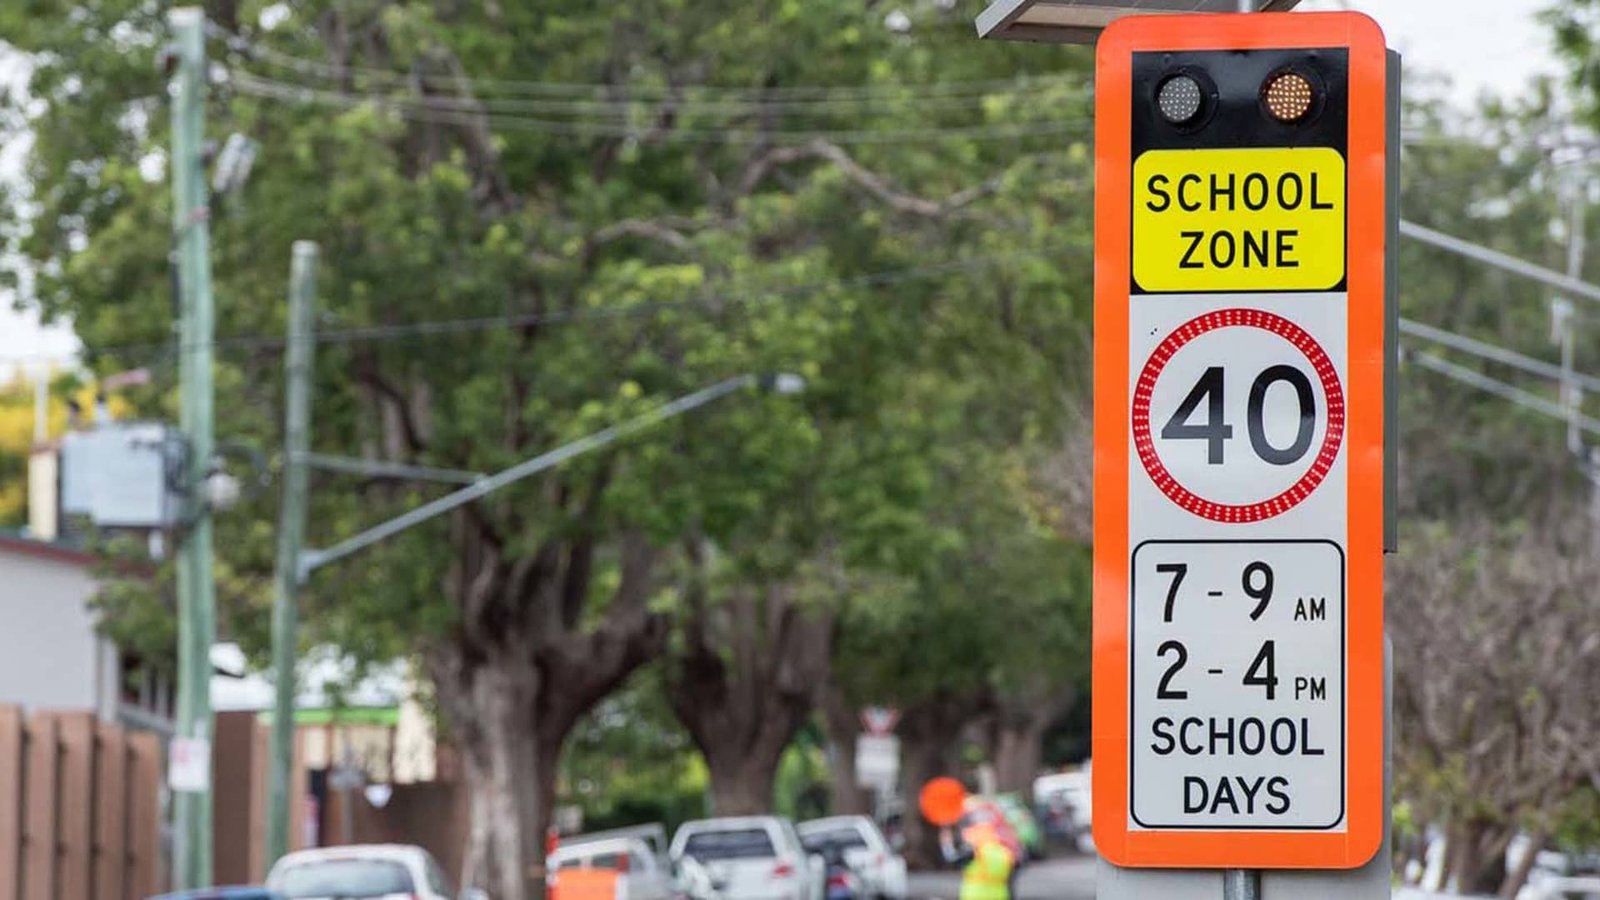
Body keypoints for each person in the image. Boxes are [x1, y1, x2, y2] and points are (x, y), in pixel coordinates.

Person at [940, 819, 1016, 900]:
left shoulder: (976, 852)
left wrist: (946, 843)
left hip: (976, 895)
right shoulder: (1004, 852)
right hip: (1000, 895)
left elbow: (951, 858)